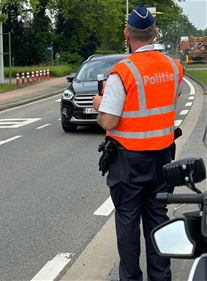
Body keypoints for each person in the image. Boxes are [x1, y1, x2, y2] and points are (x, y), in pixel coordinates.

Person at [93, 5, 184, 281]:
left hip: (128, 162)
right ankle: (161, 277)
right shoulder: (174, 67)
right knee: (158, 220)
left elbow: (108, 121)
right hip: (162, 159)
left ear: (127, 34)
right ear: (154, 33)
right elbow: (168, 103)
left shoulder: (123, 71)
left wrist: (99, 103)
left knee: (128, 226)